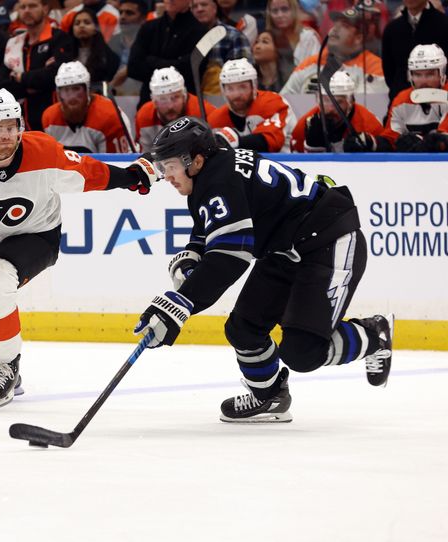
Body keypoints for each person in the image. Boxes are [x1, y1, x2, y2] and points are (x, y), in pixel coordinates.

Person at [134, 116, 394, 423]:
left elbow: (231, 256)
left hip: (329, 240)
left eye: (171, 166)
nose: (166, 175)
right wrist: (194, 253)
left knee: (303, 353)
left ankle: (375, 334)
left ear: (197, 160)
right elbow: (211, 227)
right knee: (244, 328)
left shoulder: (218, 181)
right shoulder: (210, 175)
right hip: (286, 248)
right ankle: (269, 396)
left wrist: (180, 302)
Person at [0, 88, 157, 412]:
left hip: (37, 236)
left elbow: (87, 172)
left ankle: (8, 366)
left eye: (11, 125)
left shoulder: (43, 152)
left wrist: (130, 177)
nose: (6, 135)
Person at [0, 0, 73, 131]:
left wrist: (20, 78)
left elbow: (54, 77)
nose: (27, 10)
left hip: (55, 123)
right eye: (23, 7)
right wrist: (32, 85)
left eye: (32, 6)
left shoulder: (59, 38)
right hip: (20, 125)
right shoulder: (13, 43)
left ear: (45, 9)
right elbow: (2, 86)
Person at [281, 8, 387, 96]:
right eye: (335, 24)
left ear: (358, 38)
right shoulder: (311, 63)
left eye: (345, 26)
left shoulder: (374, 67)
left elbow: (373, 110)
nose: (335, 29)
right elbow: (283, 100)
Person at [127, 0, 208, 107]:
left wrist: (152, 61)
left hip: (185, 103)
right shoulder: (148, 28)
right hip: (150, 102)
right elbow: (133, 68)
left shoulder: (201, 32)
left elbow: (192, 70)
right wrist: (175, 63)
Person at [42, 60, 132, 153]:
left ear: (87, 90)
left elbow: (117, 163)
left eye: (76, 89)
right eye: (66, 90)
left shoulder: (109, 116)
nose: (72, 96)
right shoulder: (50, 118)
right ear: (59, 94)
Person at [208, 58, 297, 152]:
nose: (236, 94)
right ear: (223, 90)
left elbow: (270, 143)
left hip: (287, 162)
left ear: (253, 86)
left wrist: (237, 142)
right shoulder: (215, 120)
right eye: (230, 88)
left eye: (242, 87)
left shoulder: (272, 103)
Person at [290, 70, 385, 152]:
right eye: (326, 101)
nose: (331, 108)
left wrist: (371, 146)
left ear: (351, 101)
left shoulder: (369, 124)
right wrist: (310, 147)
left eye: (338, 102)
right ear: (318, 101)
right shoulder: (305, 126)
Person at [378, 43, 448, 152]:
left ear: (442, 74)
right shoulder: (401, 100)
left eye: (429, 74)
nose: (423, 81)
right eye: (417, 74)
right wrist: (371, 142)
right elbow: (390, 138)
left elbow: (442, 142)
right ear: (410, 76)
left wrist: (420, 141)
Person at [381, 0, 448, 104]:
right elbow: (389, 73)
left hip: (441, 103)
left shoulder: (444, 25)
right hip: (401, 103)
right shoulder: (392, 29)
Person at [135, 66, 215, 152]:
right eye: (163, 99)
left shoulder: (205, 112)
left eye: (175, 97)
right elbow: (145, 157)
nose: (170, 106)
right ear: (154, 101)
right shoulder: (144, 116)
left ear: (184, 96)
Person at [190, 0, 253, 96]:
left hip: (228, 98)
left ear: (215, 8)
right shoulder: (184, 37)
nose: (199, 9)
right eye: (194, 6)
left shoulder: (234, 35)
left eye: (204, 4)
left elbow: (244, 75)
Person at [264, 0, 319, 84]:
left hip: (303, 93)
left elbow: (314, 73)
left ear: (294, 10)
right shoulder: (266, 39)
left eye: (285, 9)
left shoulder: (308, 37)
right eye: (275, 11)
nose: (280, 15)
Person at [67, 7, 120, 91]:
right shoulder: (65, 54)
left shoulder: (108, 56)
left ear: (96, 28)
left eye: (87, 22)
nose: (81, 26)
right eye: (77, 23)